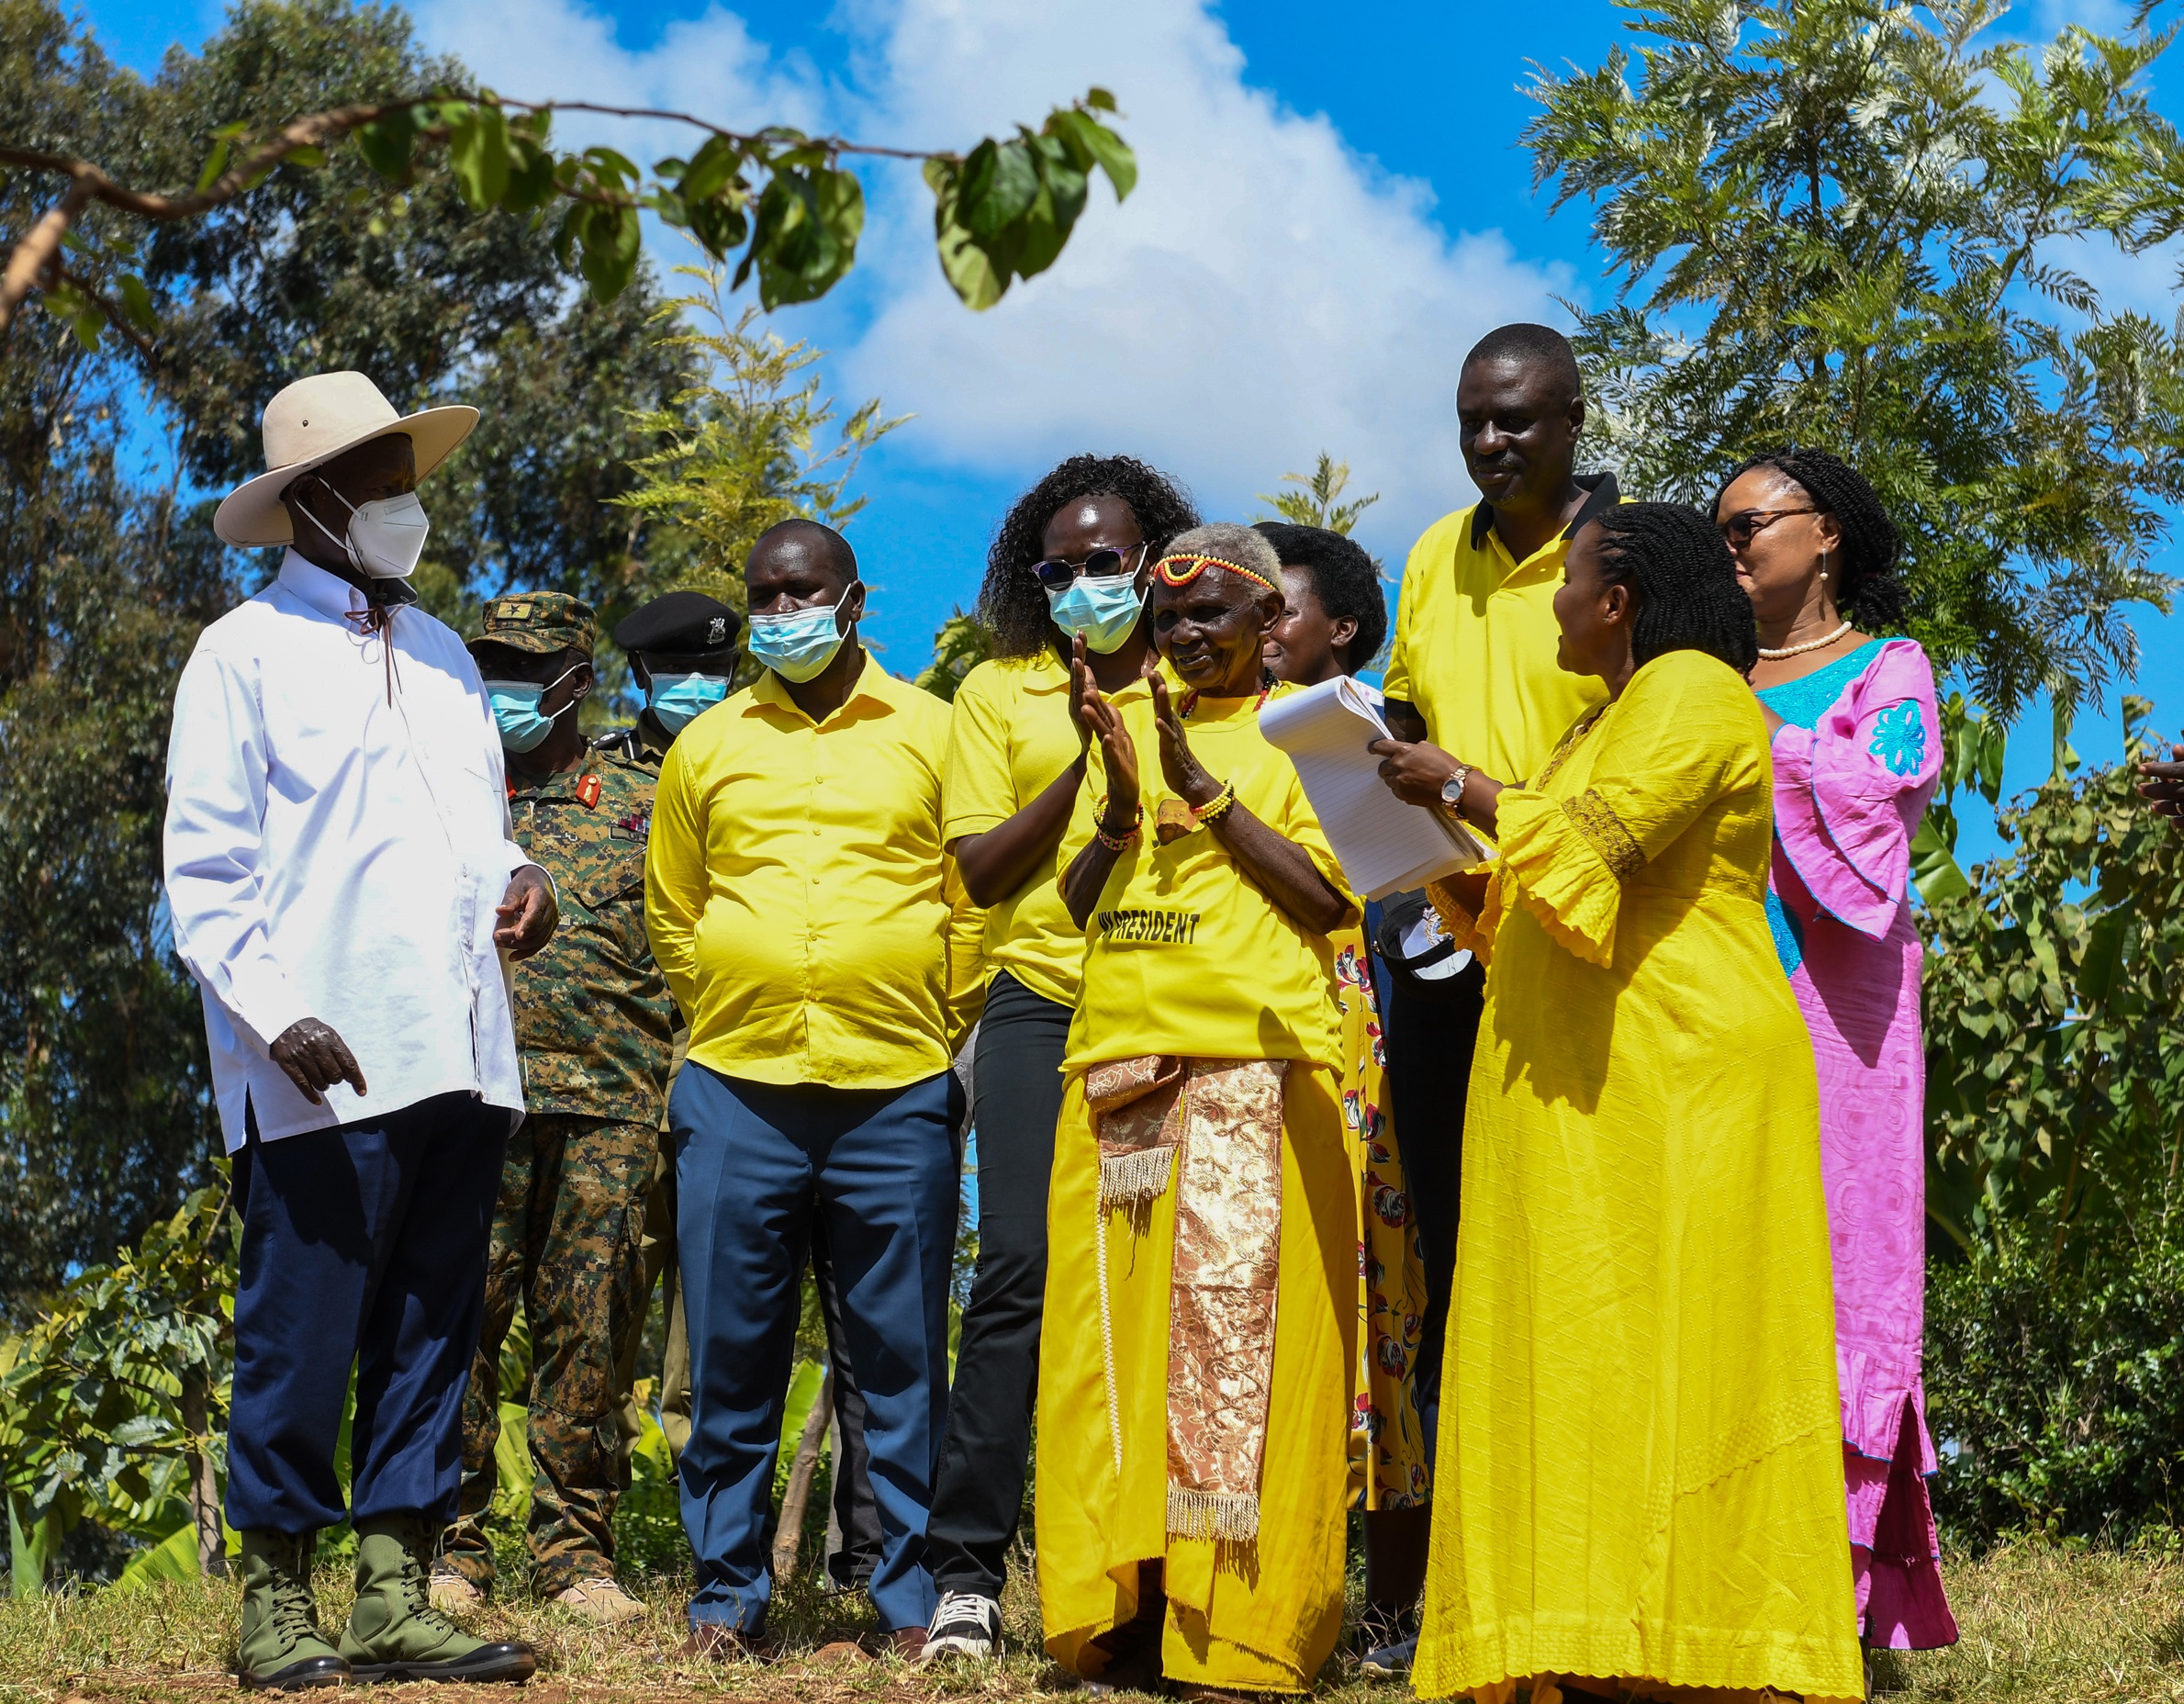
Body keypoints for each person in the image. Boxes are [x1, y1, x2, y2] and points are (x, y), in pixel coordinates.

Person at [1389, 503, 1863, 1703]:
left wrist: (1458, 779)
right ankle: (1582, 1632)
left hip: (1676, 1083)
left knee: (1673, 1357)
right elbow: (1529, 902)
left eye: (1567, 582)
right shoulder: (1593, 724)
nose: (1548, 602)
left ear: (1618, 600)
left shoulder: (1697, 692)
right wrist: (1426, 830)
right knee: (1577, 1363)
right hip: (1582, 1092)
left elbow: (1599, 847)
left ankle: (1700, 1646)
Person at [165, 371, 550, 1687]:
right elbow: (206, 873)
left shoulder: (442, 653)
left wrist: (521, 882)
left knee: (433, 1326)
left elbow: (478, 833)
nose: (405, 505)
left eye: (406, 479)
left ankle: (391, 1591)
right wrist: (277, 1017)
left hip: (460, 1044)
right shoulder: (242, 653)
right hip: (317, 1061)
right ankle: (274, 1601)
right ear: (312, 503)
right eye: (381, 483)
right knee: (301, 1332)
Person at [1036, 522, 1358, 1698]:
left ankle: (1240, 1635)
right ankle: (1119, 1611)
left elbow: (1330, 899)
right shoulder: (1119, 725)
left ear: (1271, 628)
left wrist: (1210, 793)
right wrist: (1122, 806)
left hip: (1253, 1075)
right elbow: (1077, 899)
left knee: (1245, 1359)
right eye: (1170, 623)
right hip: (1117, 1072)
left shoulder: (1308, 737)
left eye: (1208, 621)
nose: (1181, 639)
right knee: (1112, 1365)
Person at [645, 518, 969, 1659]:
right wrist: (734, 997)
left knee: (899, 1359)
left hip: (897, 1090)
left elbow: (969, 895)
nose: (780, 611)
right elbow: (673, 911)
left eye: (801, 591)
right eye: (763, 595)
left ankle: (906, 1599)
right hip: (738, 1089)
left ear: (854, 598)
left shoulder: (936, 728)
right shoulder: (709, 745)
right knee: (734, 1356)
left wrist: (929, 1009)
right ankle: (727, 1597)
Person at [921, 454, 1200, 1663]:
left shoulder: (1207, 675)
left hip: (1175, 1008)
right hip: (1038, 1004)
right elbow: (980, 871)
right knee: (1019, 1275)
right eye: (1058, 568)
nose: (1083, 582)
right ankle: (967, 1574)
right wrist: (1086, 763)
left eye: (1104, 562)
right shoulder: (998, 694)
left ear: (1154, 561)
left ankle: (1157, 1572)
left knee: (1171, 1291)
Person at [1369, 328, 1619, 1666]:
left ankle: (1577, 1565)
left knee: (1572, 1254)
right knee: (1451, 1260)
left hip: (1579, 953)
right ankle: (1452, 1584)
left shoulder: (1624, 558)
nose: (1488, 444)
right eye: (1470, 420)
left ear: (1576, 420)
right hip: (1436, 942)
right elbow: (1402, 730)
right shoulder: (1426, 555)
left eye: (1515, 421)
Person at [1721, 448, 1960, 1657]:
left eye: (1749, 522)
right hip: (1712, 1004)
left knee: (1840, 1259)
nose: (1731, 544)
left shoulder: (1888, 667)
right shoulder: (1696, 675)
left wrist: (1751, 745)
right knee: (1725, 1262)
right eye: (1715, 530)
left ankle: (1837, 1588)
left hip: (1843, 1011)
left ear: (1821, 536)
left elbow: (1881, 790)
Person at [431, 593, 672, 1626]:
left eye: (527, 668)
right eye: (490, 664)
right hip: (472, 1099)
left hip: (614, 1101)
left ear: (578, 680)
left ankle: (577, 1555)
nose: (504, 687)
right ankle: (450, 1547)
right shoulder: (447, 792)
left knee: (592, 1330)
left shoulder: (650, 796)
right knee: (460, 1323)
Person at [1254, 521, 1432, 1655]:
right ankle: (1285, 1584)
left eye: (1282, 609)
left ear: (1345, 631)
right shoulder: (1215, 733)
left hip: (1376, 1042)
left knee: (1390, 1311)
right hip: (1261, 1046)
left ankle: (1397, 1599)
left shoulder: (1379, 733)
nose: (1261, 628)